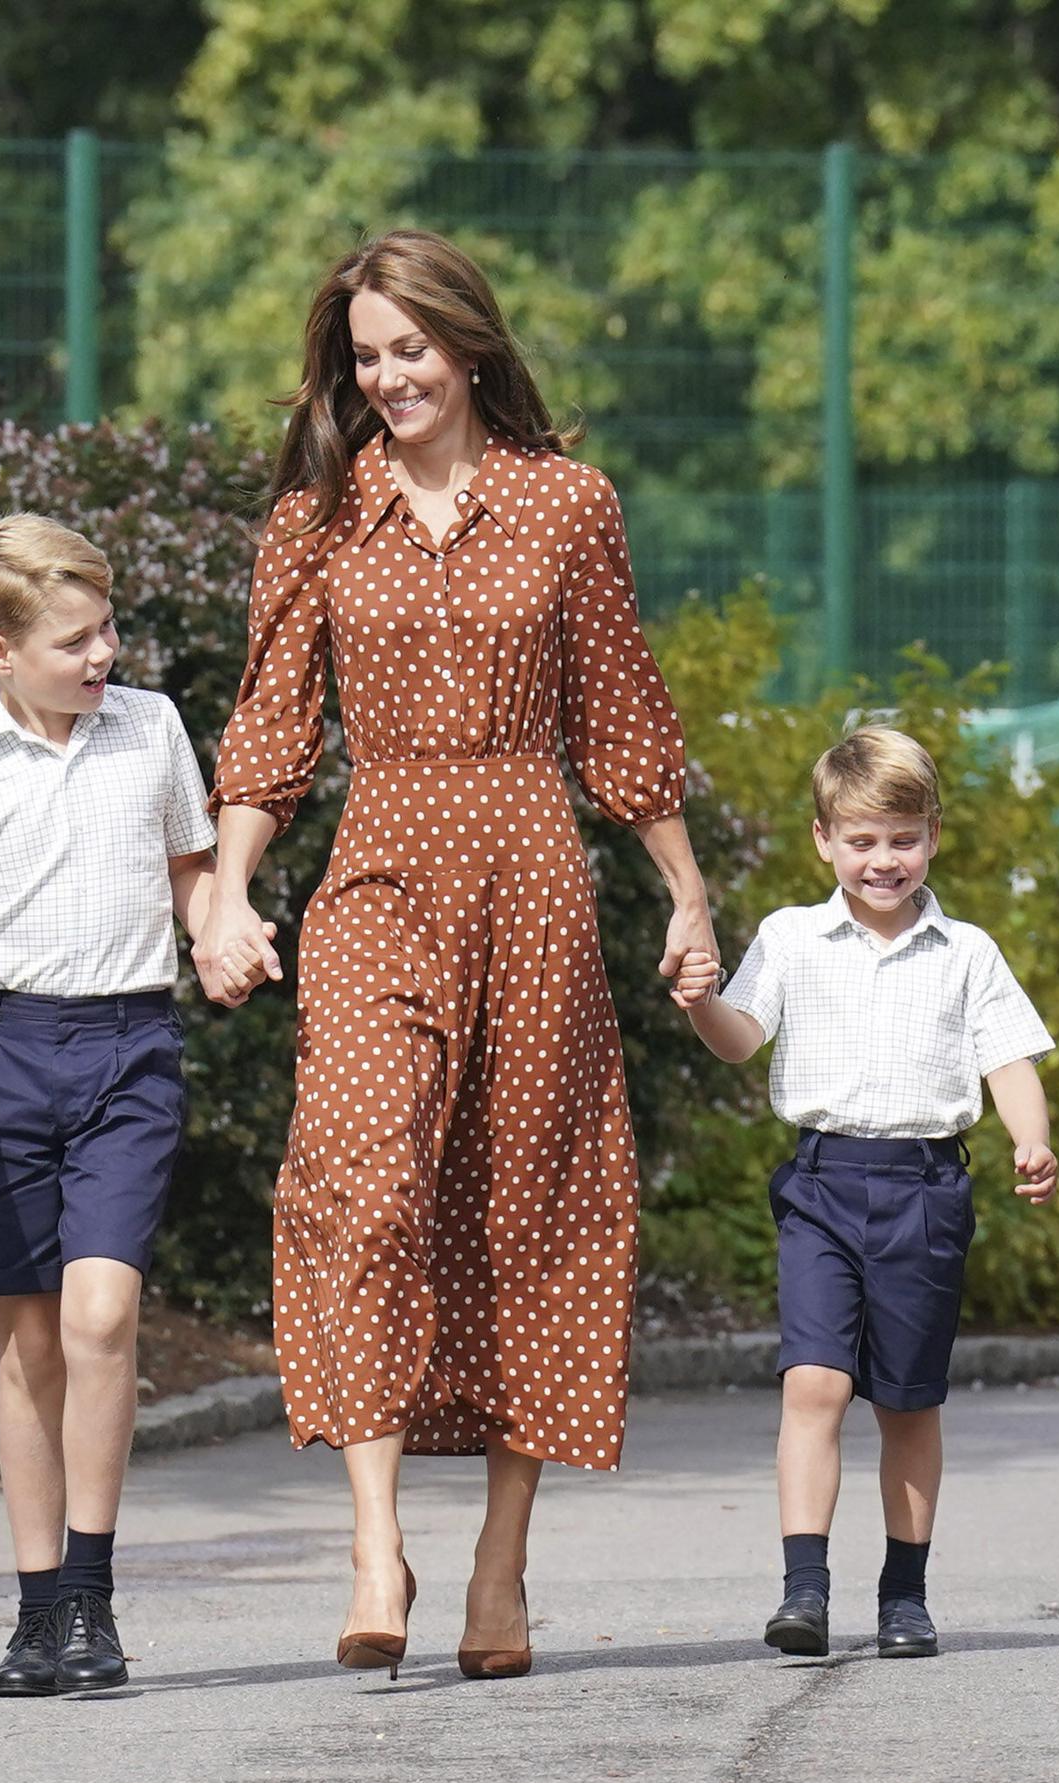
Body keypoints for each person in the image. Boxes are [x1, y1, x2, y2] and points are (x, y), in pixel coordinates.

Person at [194, 229, 716, 1681]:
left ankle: (501, 1566)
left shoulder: (568, 505)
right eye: (365, 357)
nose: (387, 377)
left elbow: (620, 714)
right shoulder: (317, 521)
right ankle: (376, 1543)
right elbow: (273, 726)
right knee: (357, 1178)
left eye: (410, 349)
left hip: (535, 874)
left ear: (469, 347)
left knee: (522, 1204)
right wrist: (230, 894)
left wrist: (685, 896)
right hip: (379, 872)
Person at [0, 514, 222, 1697]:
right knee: (27, 1343)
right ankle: (39, 1614)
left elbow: (193, 865)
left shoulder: (153, 728)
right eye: (77, 640)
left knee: (98, 1318)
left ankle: (92, 1589)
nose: (103, 656)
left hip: (129, 1044)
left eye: (109, 629)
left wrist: (217, 925)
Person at [675, 727, 1058, 1661]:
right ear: (822, 840)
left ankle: (904, 1595)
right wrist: (699, 1000)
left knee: (907, 1402)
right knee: (813, 1382)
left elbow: (1006, 1055)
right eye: (861, 840)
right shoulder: (789, 938)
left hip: (926, 1188)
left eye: (901, 838)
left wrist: (1032, 1138)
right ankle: (804, 1587)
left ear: (932, 834)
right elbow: (739, 1037)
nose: (882, 859)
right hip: (822, 1184)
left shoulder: (965, 951)